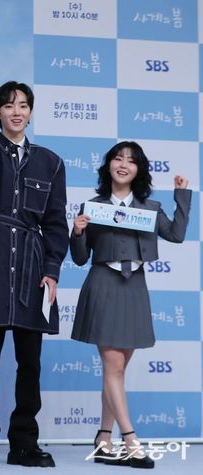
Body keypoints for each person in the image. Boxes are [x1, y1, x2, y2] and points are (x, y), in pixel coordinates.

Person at [0, 81, 69, 468]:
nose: (16, 111)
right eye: (8, 105)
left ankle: (24, 443)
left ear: (31, 112)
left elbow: (55, 222)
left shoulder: (51, 162)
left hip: (32, 266)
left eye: (23, 105)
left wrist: (52, 270)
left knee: (30, 363)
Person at [70, 142, 190, 469]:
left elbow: (177, 235)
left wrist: (182, 195)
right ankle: (130, 440)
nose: (123, 165)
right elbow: (79, 258)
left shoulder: (149, 208)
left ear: (139, 170)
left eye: (131, 161)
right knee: (114, 368)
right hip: (103, 285)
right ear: (108, 165)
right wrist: (77, 232)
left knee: (118, 370)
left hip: (134, 288)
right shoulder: (92, 206)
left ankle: (103, 437)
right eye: (118, 158)